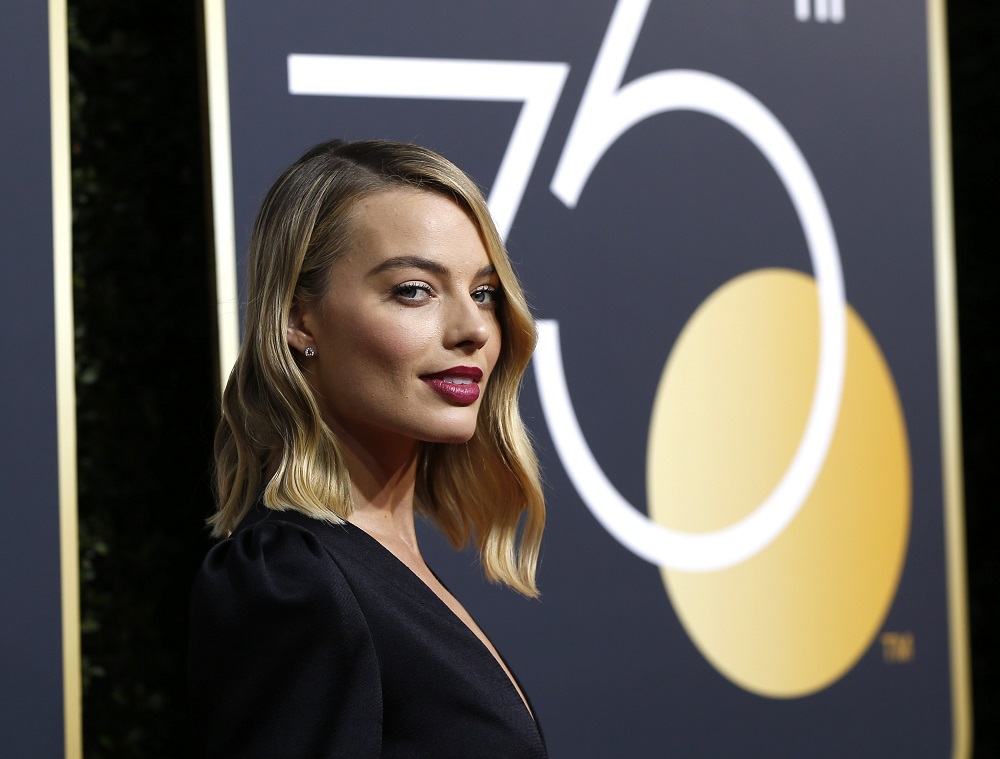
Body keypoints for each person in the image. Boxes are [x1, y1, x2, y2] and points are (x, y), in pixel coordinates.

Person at [188, 139, 547, 758]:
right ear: (299, 320)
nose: (473, 329)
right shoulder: (291, 578)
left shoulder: (384, 564)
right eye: (414, 290)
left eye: (484, 292)